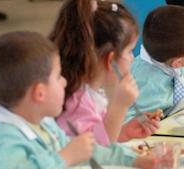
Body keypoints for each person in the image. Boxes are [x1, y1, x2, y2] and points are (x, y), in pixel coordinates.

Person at [0, 31, 156, 169]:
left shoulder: (45, 125)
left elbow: (90, 153)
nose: (64, 82)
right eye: (58, 76)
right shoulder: (4, 138)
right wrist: (64, 157)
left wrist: (134, 161)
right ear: (40, 93)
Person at [50, 0, 160, 145]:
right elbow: (94, 154)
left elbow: (95, 133)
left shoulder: (86, 93)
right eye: (129, 52)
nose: (132, 58)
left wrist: (124, 132)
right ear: (111, 60)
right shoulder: (77, 104)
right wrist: (120, 107)